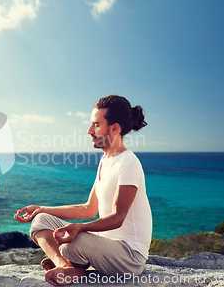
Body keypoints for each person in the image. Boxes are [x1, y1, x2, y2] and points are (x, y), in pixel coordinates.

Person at [15, 95, 152, 285]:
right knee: (40, 222)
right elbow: (88, 209)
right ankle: (66, 266)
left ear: (114, 128)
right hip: (104, 247)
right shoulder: (105, 161)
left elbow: (118, 217)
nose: (89, 131)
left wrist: (80, 227)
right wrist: (42, 208)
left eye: (96, 124)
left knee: (73, 242)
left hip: (129, 257)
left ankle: (72, 264)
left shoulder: (128, 162)